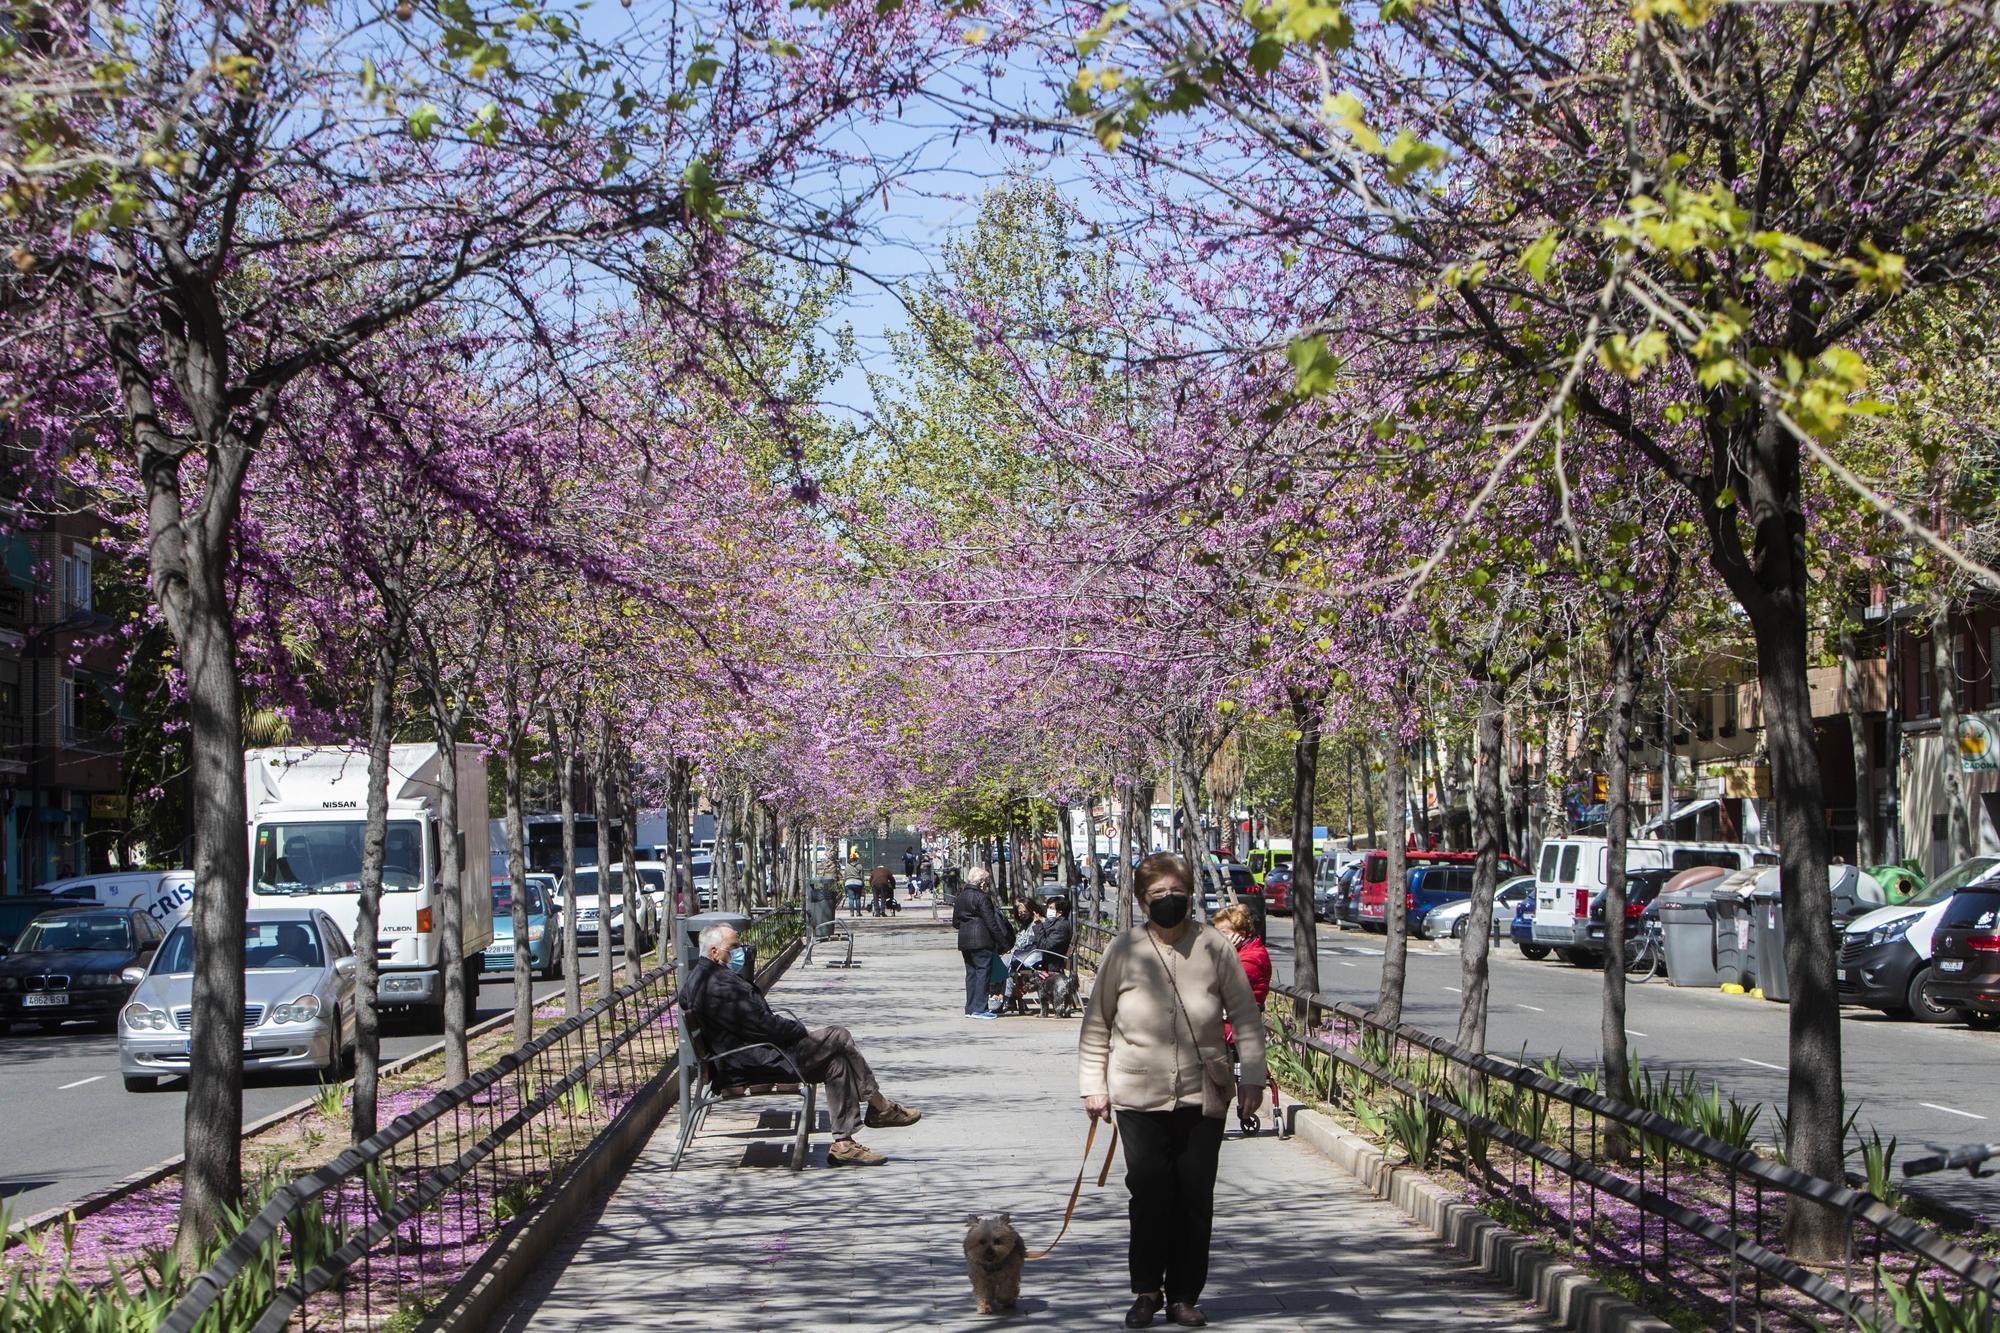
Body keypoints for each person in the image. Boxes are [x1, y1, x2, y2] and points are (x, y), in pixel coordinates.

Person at [1079, 853, 1266, 1329]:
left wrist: (1252, 1078)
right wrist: (1092, 1087)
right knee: (1147, 1192)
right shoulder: (1124, 949)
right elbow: (1097, 1024)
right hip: (1138, 1095)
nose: (1168, 901)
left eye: (1176, 892)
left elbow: (1245, 1016)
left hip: (1205, 1093)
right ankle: (1146, 1291)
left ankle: (1184, 1294)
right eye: (1158, 894)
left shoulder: (1214, 947)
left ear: (1189, 892)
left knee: (1194, 1196)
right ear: (1143, 900)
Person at [680, 923, 922, 1166]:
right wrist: (800, 1031)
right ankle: (880, 1106)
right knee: (838, 1036)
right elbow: (763, 1026)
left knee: (836, 1063)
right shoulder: (718, 986)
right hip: (753, 1061)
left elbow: (752, 1023)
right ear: (714, 952)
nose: (740, 950)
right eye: (733, 946)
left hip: (754, 1054)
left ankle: (844, 1145)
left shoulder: (705, 978)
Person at [951, 866, 1011, 1020]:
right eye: (986, 881)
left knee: (971, 973)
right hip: (982, 940)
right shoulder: (982, 898)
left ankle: (970, 1007)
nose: (987, 884)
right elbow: (991, 923)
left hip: (965, 940)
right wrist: (1003, 943)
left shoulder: (961, 897)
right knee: (983, 973)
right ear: (982, 882)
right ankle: (980, 1008)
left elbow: (955, 922)